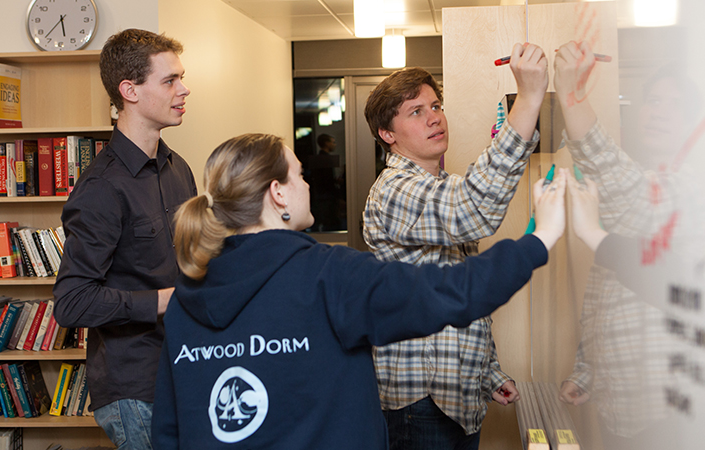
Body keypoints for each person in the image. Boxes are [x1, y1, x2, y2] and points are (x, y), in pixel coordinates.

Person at [150, 133, 567, 449]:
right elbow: (449, 292)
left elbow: (170, 431)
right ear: (277, 193)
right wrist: (540, 238)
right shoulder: (328, 275)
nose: (308, 184)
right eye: (299, 175)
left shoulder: (187, 299)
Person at [362, 43, 548, 449]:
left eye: (436, 105)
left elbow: (460, 293)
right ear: (387, 134)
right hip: (420, 403)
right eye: (416, 112)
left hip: (458, 398)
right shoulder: (394, 190)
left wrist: (489, 374)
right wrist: (530, 97)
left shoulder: (442, 187)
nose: (434, 118)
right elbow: (476, 209)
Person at [553, 40, 705, 449]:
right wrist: (587, 373)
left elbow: (614, 175)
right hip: (623, 408)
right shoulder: (644, 187)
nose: (659, 111)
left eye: (675, 105)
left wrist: (570, 91)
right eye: (653, 100)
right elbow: (608, 293)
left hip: (671, 416)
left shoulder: (690, 190)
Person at [52, 28, 198, 450]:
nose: (184, 89)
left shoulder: (177, 167)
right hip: (135, 387)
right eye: (170, 80)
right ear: (129, 90)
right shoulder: (101, 187)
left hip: (183, 366)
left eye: (181, 78)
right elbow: (72, 302)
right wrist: (166, 299)